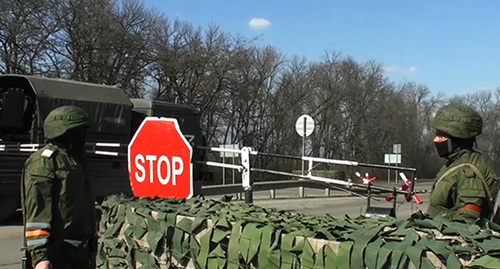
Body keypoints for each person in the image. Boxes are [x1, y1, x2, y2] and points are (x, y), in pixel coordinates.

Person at [21, 106, 97, 269]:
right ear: (63, 132)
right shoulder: (44, 162)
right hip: (56, 253)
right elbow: (37, 210)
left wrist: (92, 248)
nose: (82, 137)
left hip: (79, 251)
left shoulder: (77, 161)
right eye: (78, 131)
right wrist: (41, 256)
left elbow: (86, 209)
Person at [427, 102, 500, 222]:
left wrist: (433, 219)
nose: (436, 140)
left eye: (441, 136)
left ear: (456, 138)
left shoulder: (468, 172)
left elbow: (466, 221)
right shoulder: (455, 163)